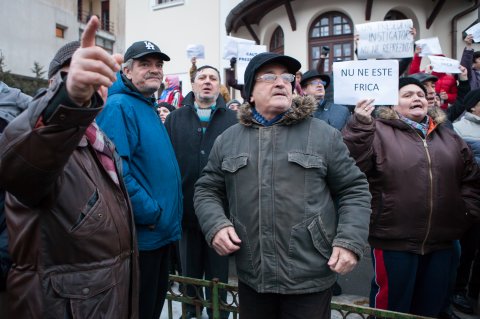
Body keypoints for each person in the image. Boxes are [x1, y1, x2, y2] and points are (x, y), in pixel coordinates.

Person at [194, 52, 372, 319]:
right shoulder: (227, 140)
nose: (280, 83)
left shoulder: (323, 134)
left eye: (287, 77)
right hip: (252, 275)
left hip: (309, 276)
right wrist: (216, 225)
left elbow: (354, 189)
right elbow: (207, 189)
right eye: (268, 77)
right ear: (250, 94)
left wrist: (349, 241)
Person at [0, 16, 139, 318]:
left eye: (99, 80)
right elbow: (20, 170)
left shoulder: (101, 142)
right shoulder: (39, 134)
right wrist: (69, 98)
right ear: (53, 85)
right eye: (73, 76)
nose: (90, 86)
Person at [342, 77, 480, 317]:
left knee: (433, 308)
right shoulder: (375, 132)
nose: (417, 98)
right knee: (392, 309)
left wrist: (465, 213)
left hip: (442, 242)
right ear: (392, 105)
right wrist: (359, 126)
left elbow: (471, 180)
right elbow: (352, 166)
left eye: (420, 94)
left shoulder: (449, 137)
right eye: (407, 95)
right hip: (393, 240)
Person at [96, 40, 182, 319]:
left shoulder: (145, 104)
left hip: (159, 235)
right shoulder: (119, 105)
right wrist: (152, 214)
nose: (154, 70)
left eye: (158, 65)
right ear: (127, 71)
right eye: (145, 64)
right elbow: (117, 172)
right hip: (143, 237)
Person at [165, 65, 237, 319]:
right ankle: (190, 313)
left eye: (213, 78)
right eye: (202, 78)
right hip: (185, 212)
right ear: (193, 85)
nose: (207, 82)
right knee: (189, 273)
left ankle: (218, 313)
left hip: (221, 214)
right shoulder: (175, 119)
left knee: (218, 274)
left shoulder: (233, 120)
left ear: (219, 86)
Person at [450, 89, 480, 315]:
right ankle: (458, 290)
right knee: (467, 249)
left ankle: (473, 292)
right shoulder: (459, 128)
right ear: (473, 106)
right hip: (471, 199)